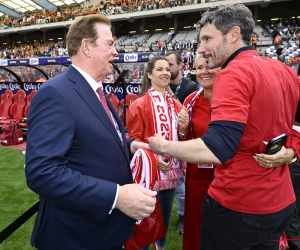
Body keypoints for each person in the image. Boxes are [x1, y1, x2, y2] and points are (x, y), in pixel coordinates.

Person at [148, 4, 300, 250]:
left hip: (240, 207)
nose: (203, 48)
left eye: (208, 38)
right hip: (279, 203)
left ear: (233, 35)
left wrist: (164, 146)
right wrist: (293, 149)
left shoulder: (234, 72)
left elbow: (218, 148)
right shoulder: (282, 69)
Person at [25, 14, 157, 250]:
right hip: (75, 237)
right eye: (110, 44)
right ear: (86, 47)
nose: (115, 52)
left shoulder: (94, 91)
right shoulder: (56, 93)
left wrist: (128, 146)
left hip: (103, 234)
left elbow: (90, 141)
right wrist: (116, 196)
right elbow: (42, 172)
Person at [127, 56, 185, 250]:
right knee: (145, 215)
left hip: (170, 171)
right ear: (150, 74)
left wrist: (184, 128)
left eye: (167, 69)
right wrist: (155, 158)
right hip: (149, 172)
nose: (165, 73)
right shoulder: (139, 104)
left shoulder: (176, 105)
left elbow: (182, 137)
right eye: (159, 69)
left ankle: (160, 247)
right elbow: (134, 141)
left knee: (166, 214)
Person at [176, 53, 220, 250]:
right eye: (200, 67)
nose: (204, 71)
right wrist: (183, 130)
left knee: (224, 229)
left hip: (226, 174)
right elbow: (185, 140)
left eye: (209, 66)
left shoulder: (233, 99)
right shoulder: (191, 100)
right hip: (197, 175)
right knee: (195, 227)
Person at [164, 50, 199, 234]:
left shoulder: (191, 87)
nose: (167, 69)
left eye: (170, 65)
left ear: (180, 65)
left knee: (182, 183)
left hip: (186, 141)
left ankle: (184, 216)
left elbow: (187, 113)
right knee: (173, 181)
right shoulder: (161, 85)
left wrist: (170, 94)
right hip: (169, 140)